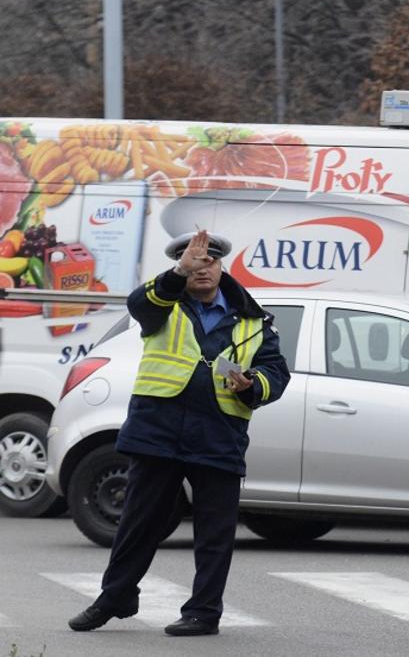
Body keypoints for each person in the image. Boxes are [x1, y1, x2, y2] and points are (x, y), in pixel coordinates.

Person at [68, 229, 290, 637]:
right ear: (182, 266)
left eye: (209, 262)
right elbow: (139, 305)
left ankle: (203, 612)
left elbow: (277, 373)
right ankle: (116, 597)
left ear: (221, 267)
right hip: (158, 431)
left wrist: (253, 383)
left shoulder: (254, 320)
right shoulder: (163, 305)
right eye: (194, 263)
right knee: (138, 524)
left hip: (219, 434)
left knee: (214, 534)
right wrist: (176, 273)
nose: (202, 270)